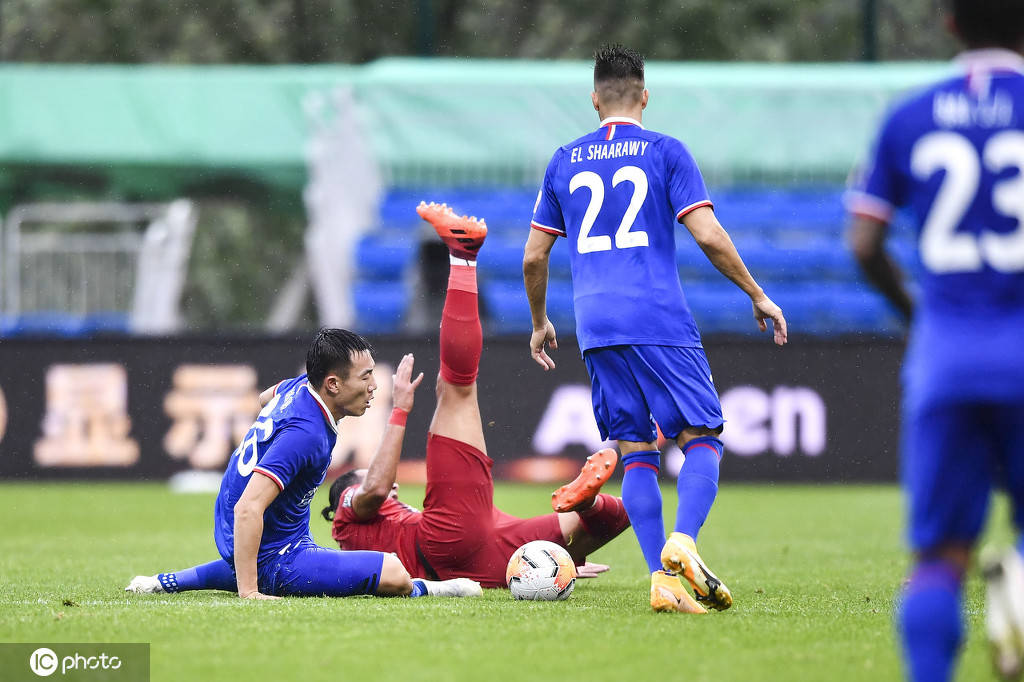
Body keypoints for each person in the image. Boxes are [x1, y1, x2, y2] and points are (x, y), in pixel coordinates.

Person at [129, 204, 631, 594]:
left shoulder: (302, 414)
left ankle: (574, 525)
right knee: (456, 386)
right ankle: (462, 256)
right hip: (448, 541)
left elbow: (270, 402)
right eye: (364, 377)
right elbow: (370, 489)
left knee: (613, 516)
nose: (391, 496)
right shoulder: (349, 511)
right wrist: (400, 412)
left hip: (485, 550)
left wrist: (550, 568)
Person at [523, 44, 787, 614]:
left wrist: (541, 321)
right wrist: (757, 293)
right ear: (645, 96)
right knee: (703, 440)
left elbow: (533, 258)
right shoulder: (666, 151)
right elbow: (709, 234)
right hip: (656, 316)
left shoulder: (564, 160)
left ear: (594, 99)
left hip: (595, 324)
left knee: (635, 449)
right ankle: (683, 542)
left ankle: (658, 581)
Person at [845, 1, 1024, 678]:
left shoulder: (909, 116)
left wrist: (918, 313)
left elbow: (864, 242)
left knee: (940, 560)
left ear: (949, 24)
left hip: (946, 358)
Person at [126, 329, 480, 600]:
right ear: (332, 384)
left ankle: (164, 582)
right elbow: (249, 508)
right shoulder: (307, 434)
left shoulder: (299, 387)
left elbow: (266, 398)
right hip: (274, 550)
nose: (375, 386)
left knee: (263, 551)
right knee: (392, 570)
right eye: (365, 376)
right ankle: (431, 590)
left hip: (261, 538)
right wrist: (250, 594)